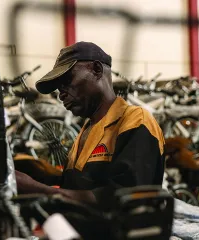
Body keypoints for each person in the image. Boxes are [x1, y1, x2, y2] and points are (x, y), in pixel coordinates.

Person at [15, 41, 165, 210]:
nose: (61, 94)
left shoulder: (134, 120)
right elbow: (78, 186)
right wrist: (36, 174)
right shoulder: (87, 129)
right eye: (58, 88)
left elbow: (123, 198)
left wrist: (39, 190)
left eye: (67, 80)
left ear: (96, 70)